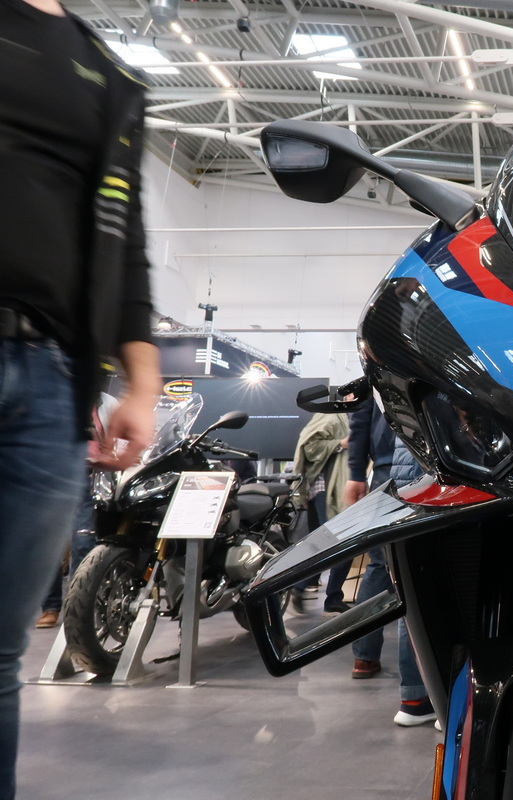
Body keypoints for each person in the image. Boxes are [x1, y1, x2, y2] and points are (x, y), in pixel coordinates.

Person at [0, 3, 160, 798]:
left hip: (52, 383)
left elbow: (124, 244)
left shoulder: (111, 74)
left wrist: (141, 383)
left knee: (0, 657)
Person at [344, 401, 434, 727]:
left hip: (389, 468)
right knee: (425, 577)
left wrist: (356, 473)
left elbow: (359, 421)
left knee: (387, 569)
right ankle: (430, 693)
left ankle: (366, 658)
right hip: (434, 466)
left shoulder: (377, 373)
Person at [289, 410, 351, 614]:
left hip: (326, 490)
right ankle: (329, 595)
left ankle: (304, 586)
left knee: (321, 543)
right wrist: (339, 443)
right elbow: (309, 446)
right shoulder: (332, 416)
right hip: (326, 490)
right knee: (343, 542)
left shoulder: (341, 418)